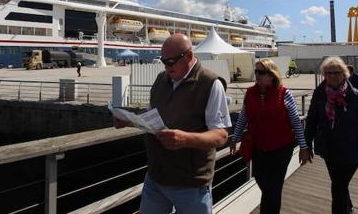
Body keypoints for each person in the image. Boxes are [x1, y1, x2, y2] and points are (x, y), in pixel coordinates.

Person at [114, 33, 231, 214]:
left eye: (171, 61)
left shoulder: (210, 84)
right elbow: (151, 113)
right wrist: (129, 119)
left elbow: (221, 135)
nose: (166, 66)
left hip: (191, 183)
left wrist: (186, 139)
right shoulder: (161, 79)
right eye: (163, 61)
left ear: (189, 56)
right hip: (156, 177)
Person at [229, 58, 311, 214]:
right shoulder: (250, 93)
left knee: (272, 189)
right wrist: (234, 138)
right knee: (263, 182)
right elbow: (243, 118)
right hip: (258, 147)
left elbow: (295, 122)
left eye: (262, 72)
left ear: (272, 75)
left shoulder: (284, 93)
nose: (258, 75)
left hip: (281, 149)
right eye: (256, 72)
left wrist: (303, 147)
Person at [305, 56, 358, 214]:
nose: (331, 76)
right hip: (329, 148)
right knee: (339, 184)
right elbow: (312, 121)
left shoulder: (356, 97)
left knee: (338, 186)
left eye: (335, 72)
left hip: (351, 149)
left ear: (344, 74)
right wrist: (306, 146)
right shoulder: (320, 94)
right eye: (327, 73)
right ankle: (347, 207)